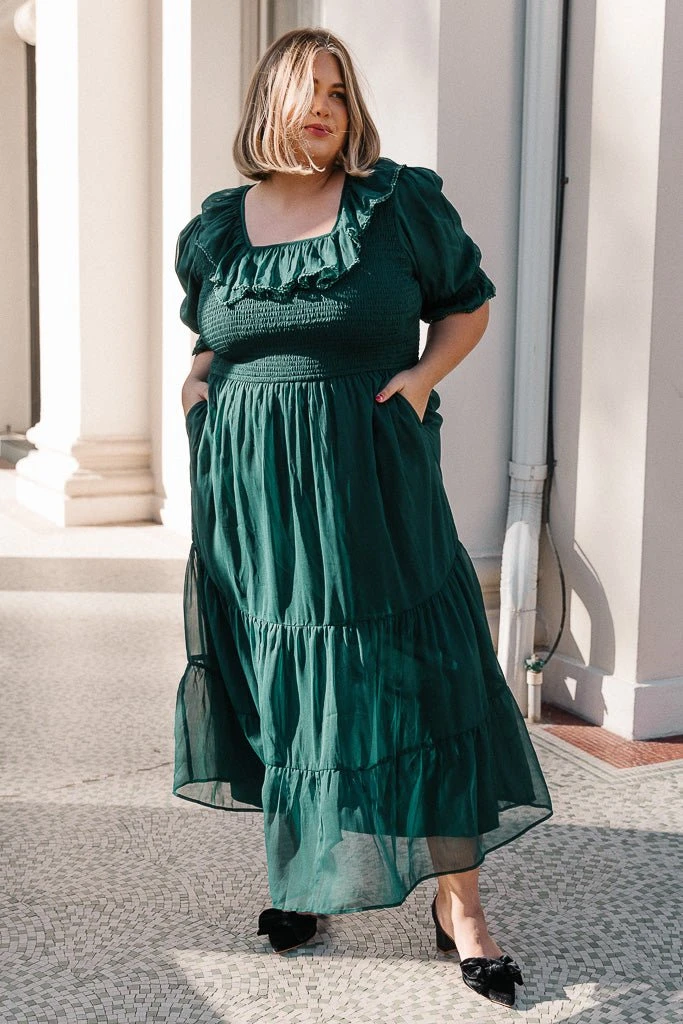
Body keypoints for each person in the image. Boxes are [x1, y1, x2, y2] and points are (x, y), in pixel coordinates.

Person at [173, 26, 553, 1008]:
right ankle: (305, 877)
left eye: (338, 90)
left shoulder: (395, 204)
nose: (324, 106)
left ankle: (461, 909)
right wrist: (197, 385)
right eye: (307, 87)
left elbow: (465, 304)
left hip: (372, 483)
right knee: (286, 680)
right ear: (268, 100)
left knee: (422, 675)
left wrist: (422, 379)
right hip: (253, 496)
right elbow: (212, 336)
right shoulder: (217, 228)